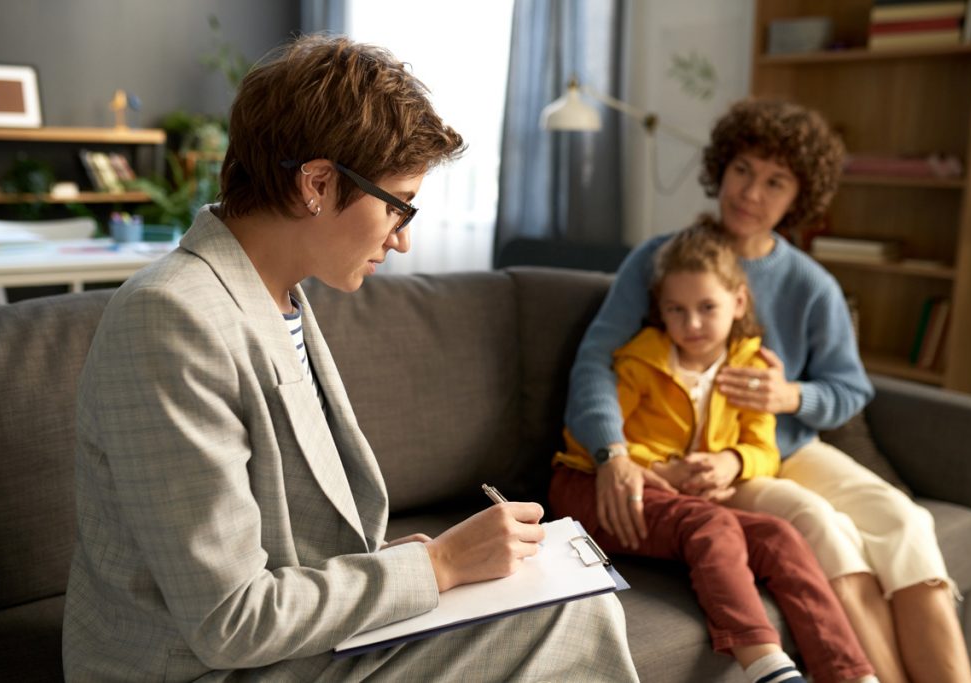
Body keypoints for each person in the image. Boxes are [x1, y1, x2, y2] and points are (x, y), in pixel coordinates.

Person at [62, 35, 638, 682]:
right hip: (201, 668)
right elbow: (228, 619)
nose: (404, 238)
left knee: (569, 597)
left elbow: (282, 543)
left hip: (283, 645)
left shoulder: (281, 297)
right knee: (572, 615)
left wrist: (409, 563)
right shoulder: (170, 319)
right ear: (317, 183)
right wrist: (439, 565)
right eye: (397, 206)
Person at [564, 97, 971, 683]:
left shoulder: (812, 284)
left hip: (785, 447)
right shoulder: (660, 260)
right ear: (721, 168)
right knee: (822, 527)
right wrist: (613, 452)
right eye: (743, 171)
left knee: (907, 522)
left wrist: (792, 399)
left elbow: (848, 388)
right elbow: (595, 362)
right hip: (708, 457)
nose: (752, 193)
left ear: (798, 198)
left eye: (775, 182)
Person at [551, 224, 876, 683]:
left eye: (708, 308)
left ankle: (852, 675)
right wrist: (659, 467)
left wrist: (734, 462)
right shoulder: (640, 360)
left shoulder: (750, 368)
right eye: (677, 310)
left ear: (738, 302)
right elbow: (587, 437)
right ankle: (769, 668)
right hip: (593, 485)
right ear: (659, 310)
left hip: (676, 500)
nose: (693, 324)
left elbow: (764, 448)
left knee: (781, 537)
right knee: (712, 522)